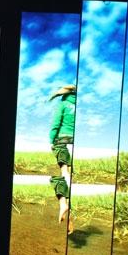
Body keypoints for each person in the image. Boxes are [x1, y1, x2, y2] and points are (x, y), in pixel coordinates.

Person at [48, 84, 76, 233]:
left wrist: (51, 140)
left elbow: (56, 123)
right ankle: (67, 208)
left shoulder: (63, 104)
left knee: (62, 174)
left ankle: (63, 204)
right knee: (67, 174)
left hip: (62, 139)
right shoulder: (77, 104)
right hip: (73, 139)